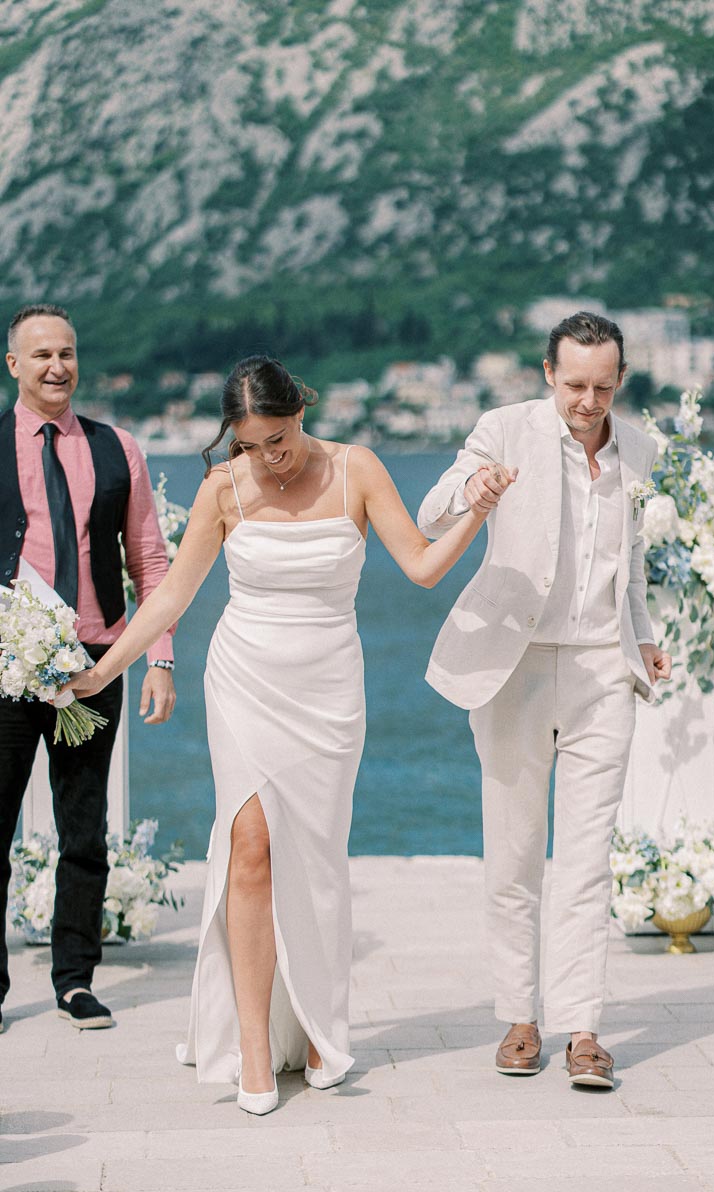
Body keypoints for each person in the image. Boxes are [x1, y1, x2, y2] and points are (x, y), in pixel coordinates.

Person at [65, 356, 514, 1113]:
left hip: (331, 689)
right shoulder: (223, 489)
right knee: (251, 849)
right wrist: (104, 671)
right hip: (244, 682)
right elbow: (172, 590)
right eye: (250, 444)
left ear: (300, 409)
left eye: (278, 438)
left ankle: (314, 1025)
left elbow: (423, 567)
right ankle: (249, 1049)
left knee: (316, 858)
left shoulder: (357, 469)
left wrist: (479, 508)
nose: (269, 457)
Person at [417, 312, 672, 1089]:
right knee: (516, 850)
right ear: (546, 374)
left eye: (602, 386)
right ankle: (519, 1018)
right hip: (515, 665)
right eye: (573, 386)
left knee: (588, 858)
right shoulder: (504, 430)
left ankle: (584, 1030)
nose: (587, 402)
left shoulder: (643, 451)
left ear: (620, 380)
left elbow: (633, 561)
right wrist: (474, 489)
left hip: (603, 668)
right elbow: (430, 512)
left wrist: (648, 632)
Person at [0, 304, 176, 1035]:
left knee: (86, 832)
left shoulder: (117, 448)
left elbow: (151, 559)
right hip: (5, 669)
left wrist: (158, 658)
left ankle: (75, 979)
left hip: (95, 667)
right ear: (14, 364)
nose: (56, 366)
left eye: (67, 352)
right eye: (40, 354)